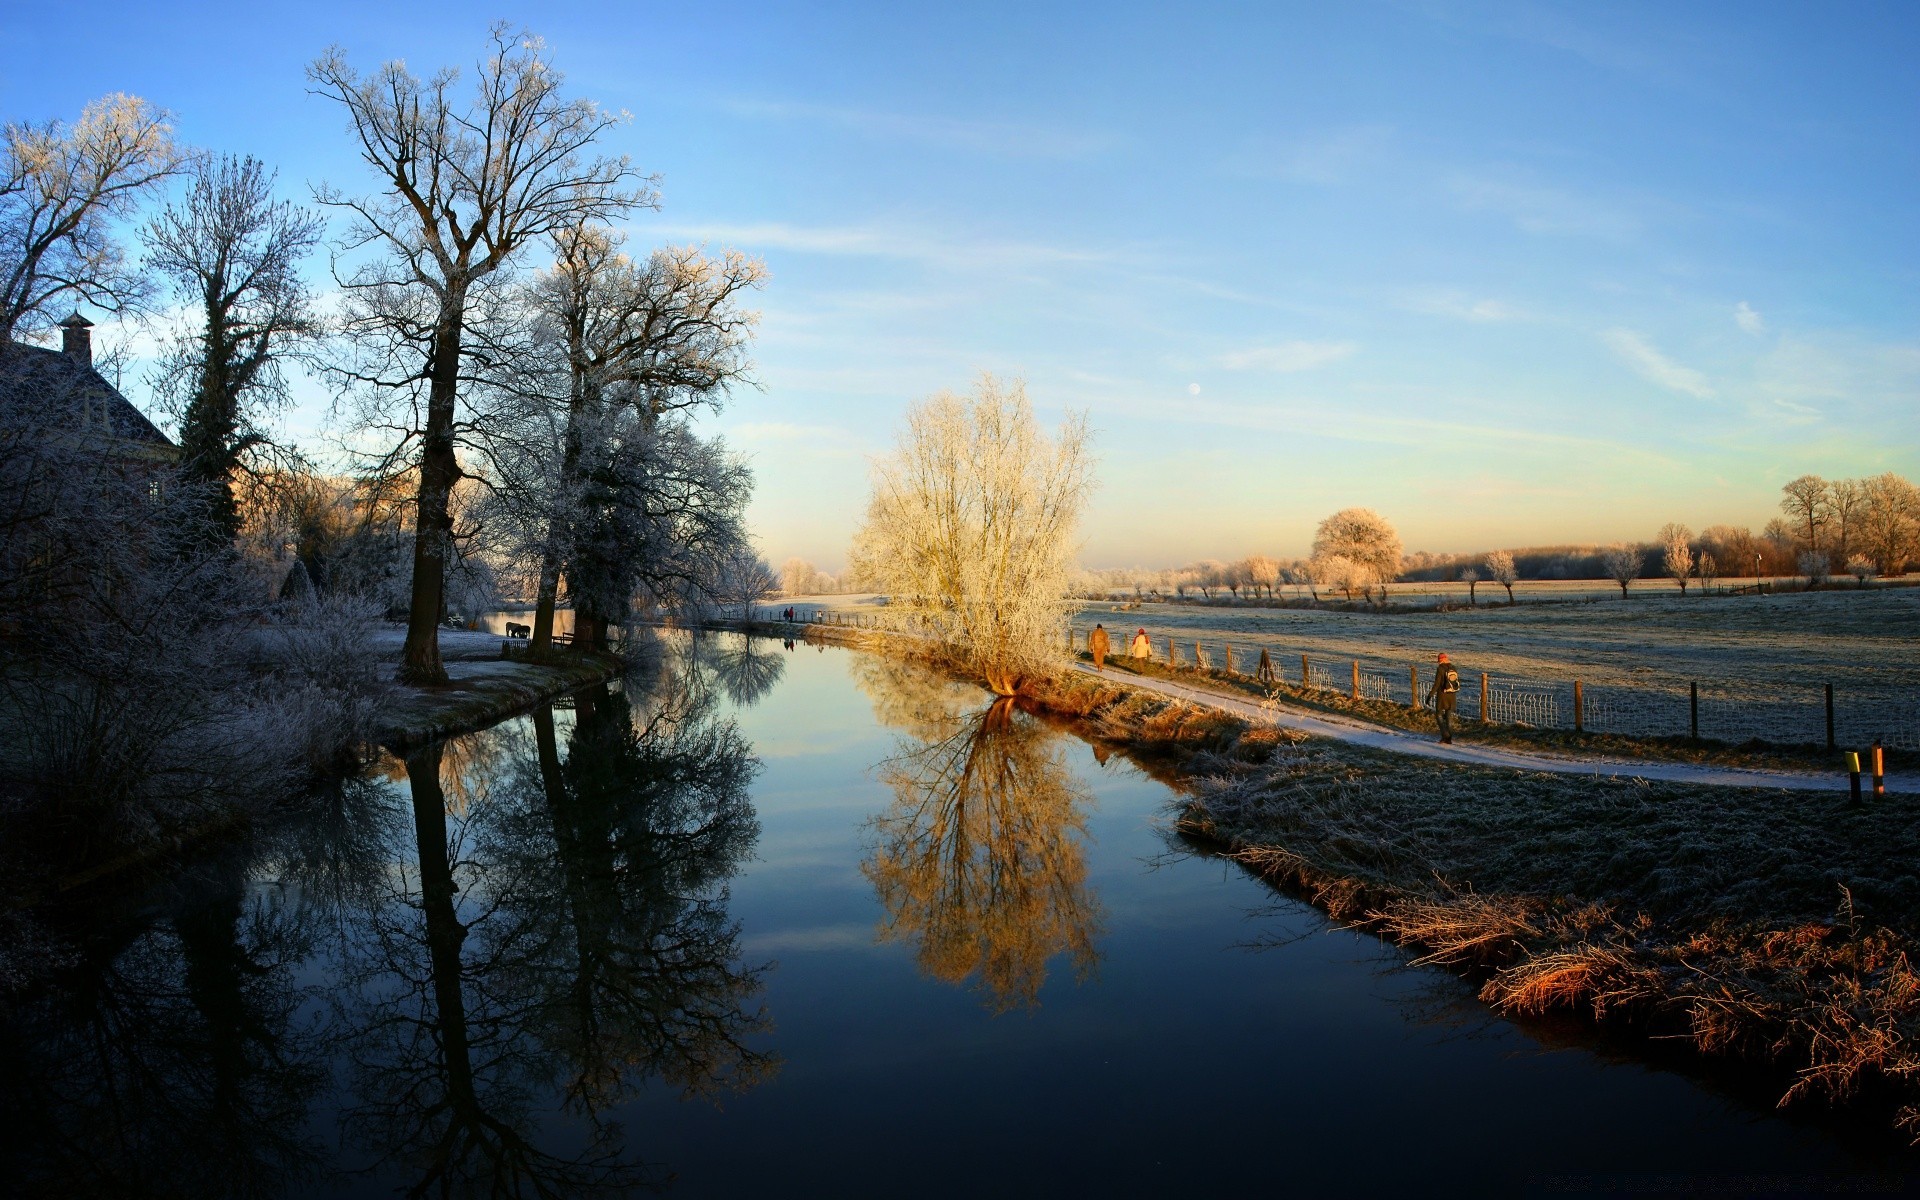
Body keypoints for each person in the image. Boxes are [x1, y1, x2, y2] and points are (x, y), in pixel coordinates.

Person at [1427, 651, 1461, 744]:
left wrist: (1430, 695)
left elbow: (1437, 684)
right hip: (1452, 695)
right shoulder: (1453, 668)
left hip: (1442, 695)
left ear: (1440, 660)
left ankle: (1445, 735)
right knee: (1449, 717)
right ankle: (1449, 739)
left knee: (1438, 715)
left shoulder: (1440, 669)